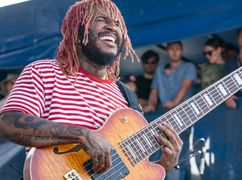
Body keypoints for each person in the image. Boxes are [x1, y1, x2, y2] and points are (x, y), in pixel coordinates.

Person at [0, 0, 182, 174]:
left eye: (118, 24)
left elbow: (127, 171)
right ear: (77, 34)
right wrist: (82, 135)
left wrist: (163, 166)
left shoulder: (126, 97)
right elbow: (7, 123)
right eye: (101, 19)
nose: (113, 27)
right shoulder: (43, 71)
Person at [145, 41, 197, 112]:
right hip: (163, 111)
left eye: (177, 49)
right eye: (171, 49)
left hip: (186, 110)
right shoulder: (159, 70)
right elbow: (154, 91)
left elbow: (185, 86)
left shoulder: (189, 66)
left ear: (182, 51)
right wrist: (151, 105)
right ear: (167, 51)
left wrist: (174, 103)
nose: (174, 52)